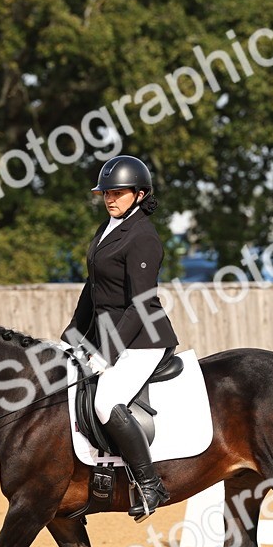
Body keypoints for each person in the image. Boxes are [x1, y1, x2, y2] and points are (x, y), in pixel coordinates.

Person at [62, 155, 179, 519]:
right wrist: (70, 336)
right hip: (106, 334)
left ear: (140, 194)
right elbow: (92, 288)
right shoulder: (106, 229)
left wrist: (105, 354)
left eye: (118, 193)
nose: (110, 199)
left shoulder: (143, 237)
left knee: (105, 401)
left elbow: (141, 303)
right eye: (106, 193)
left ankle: (150, 486)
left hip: (142, 340)